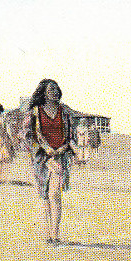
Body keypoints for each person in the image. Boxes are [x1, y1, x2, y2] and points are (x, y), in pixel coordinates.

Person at [25, 79, 79, 245]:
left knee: (55, 194)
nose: (55, 92)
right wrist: (44, 150)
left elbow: (71, 135)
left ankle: (55, 235)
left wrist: (63, 149)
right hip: (42, 158)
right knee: (45, 196)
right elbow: (28, 136)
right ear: (43, 92)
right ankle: (48, 233)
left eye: (56, 89)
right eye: (51, 89)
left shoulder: (65, 112)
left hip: (60, 157)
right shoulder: (35, 111)